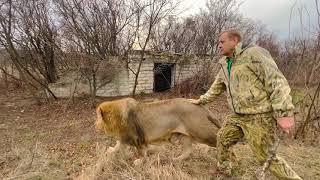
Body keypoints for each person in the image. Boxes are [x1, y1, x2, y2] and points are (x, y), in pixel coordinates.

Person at [189, 29, 302, 179]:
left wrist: (284, 113)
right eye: (218, 43)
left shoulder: (254, 54)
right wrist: (201, 100)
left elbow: (276, 82)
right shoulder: (225, 63)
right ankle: (224, 170)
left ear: (234, 40)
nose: (219, 45)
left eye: (222, 42)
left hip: (259, 116)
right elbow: (217, 87)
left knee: (265, 156)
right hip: (237, 116)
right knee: (222, 138)